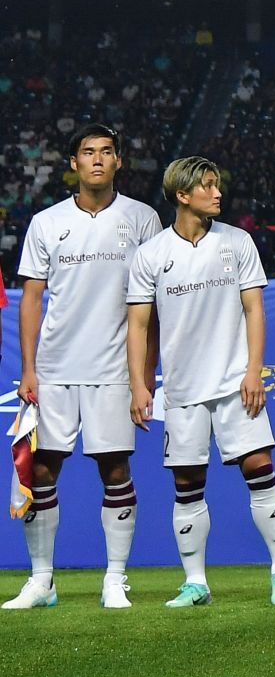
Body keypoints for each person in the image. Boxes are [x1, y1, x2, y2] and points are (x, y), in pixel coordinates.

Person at [124, 157, 275, 607]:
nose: (217, 193)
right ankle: (195, 582)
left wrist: (253, 371)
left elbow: (255, 310)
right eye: (208, 186)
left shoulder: (237, 242)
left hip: (235, 383)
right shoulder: (152, 254)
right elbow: (138, 326)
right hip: (181, 390)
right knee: (186, 483)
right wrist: (141, 385)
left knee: (260, 471)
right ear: (183, 194)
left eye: (217, 185)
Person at [5, 124, 161, 611]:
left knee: (114, 467)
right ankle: (42, 580)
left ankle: (115, 579)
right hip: (53, 368)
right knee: (43, 467)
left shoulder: (142, 219)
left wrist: (144, 379)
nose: (97, 159)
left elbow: (151, 307)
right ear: (73, 163)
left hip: (115, 368)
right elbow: (31, 299)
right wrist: (28, 368)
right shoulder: (46, 223)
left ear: (118, 161)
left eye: (106, 152)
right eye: (88, 152)